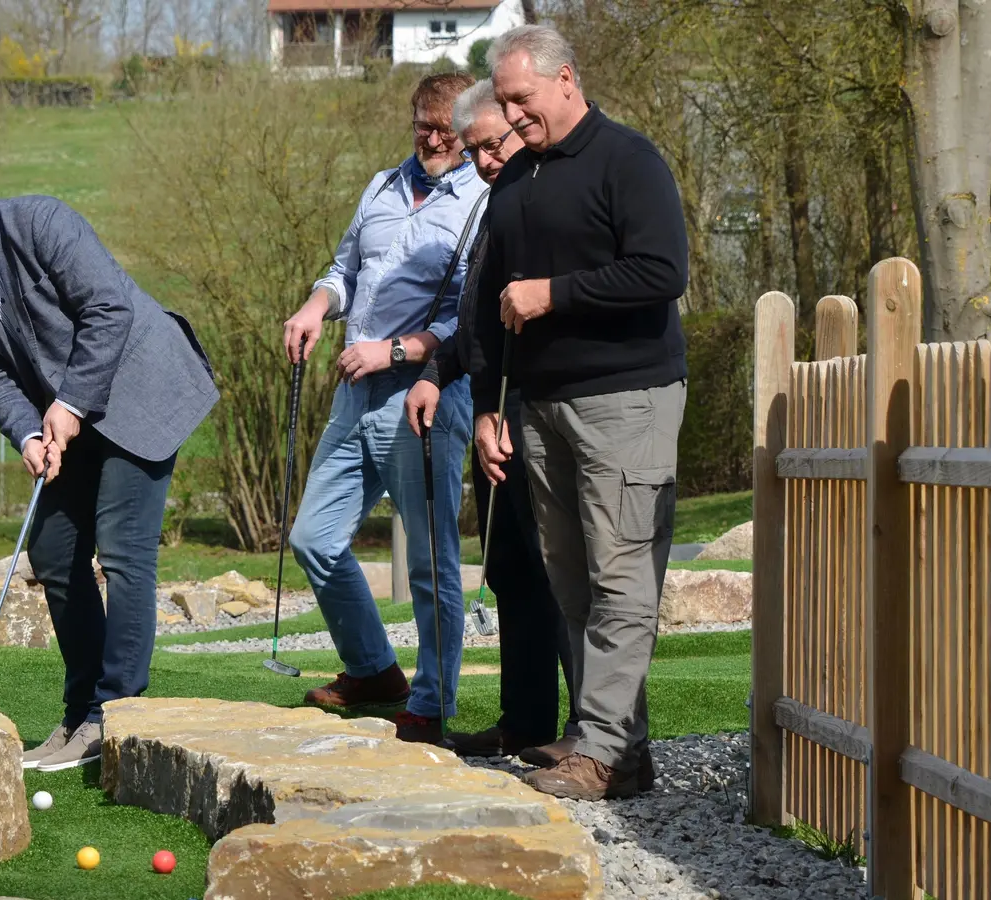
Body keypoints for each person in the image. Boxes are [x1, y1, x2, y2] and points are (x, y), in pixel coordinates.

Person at [0, 168, 219, 772]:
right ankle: (80, 712)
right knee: (53, 550)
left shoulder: (41, 221)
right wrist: (28, 433)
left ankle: (115, 715)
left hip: (140, 390)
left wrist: (67, 404)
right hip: (70, 415)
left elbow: (109, 309)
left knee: (123, 550)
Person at [471, 25, 689, 800]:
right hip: (538, 407)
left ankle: (603, 751)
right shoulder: (514, 178)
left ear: (565, 79)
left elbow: (662, 271)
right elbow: (488, 300)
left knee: (622, 578)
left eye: (520, 98)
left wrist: (555, 294)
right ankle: (614, 745)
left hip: (626, 399)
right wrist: (488, 407)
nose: (511, 115)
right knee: (572, 582)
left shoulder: (628, 160)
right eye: (503, 102)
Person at [281, 72, 484, 745]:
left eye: (447, 130)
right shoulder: (381, 186)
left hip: (426, 394)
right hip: (354, 393)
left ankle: (431, 700)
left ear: (467, 129)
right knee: (313, 538)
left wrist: (393, 351)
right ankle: (373, 670)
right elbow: (344, 271)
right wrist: (315, 307)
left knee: (429, 560)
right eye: (425, 126)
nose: (435, 140)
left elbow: (470, 318)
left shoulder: (482, 199)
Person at [403, 79, 579, 761]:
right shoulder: (497, 202)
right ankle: (525, 721)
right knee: (511, 565)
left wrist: (510, 406)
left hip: (548, 408)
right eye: (473, 150)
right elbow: (478, 317)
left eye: (491, 145)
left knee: (559, 569)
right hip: (497, 410)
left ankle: (591, 733)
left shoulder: (545, 194)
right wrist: (437, 373)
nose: (482, 161)